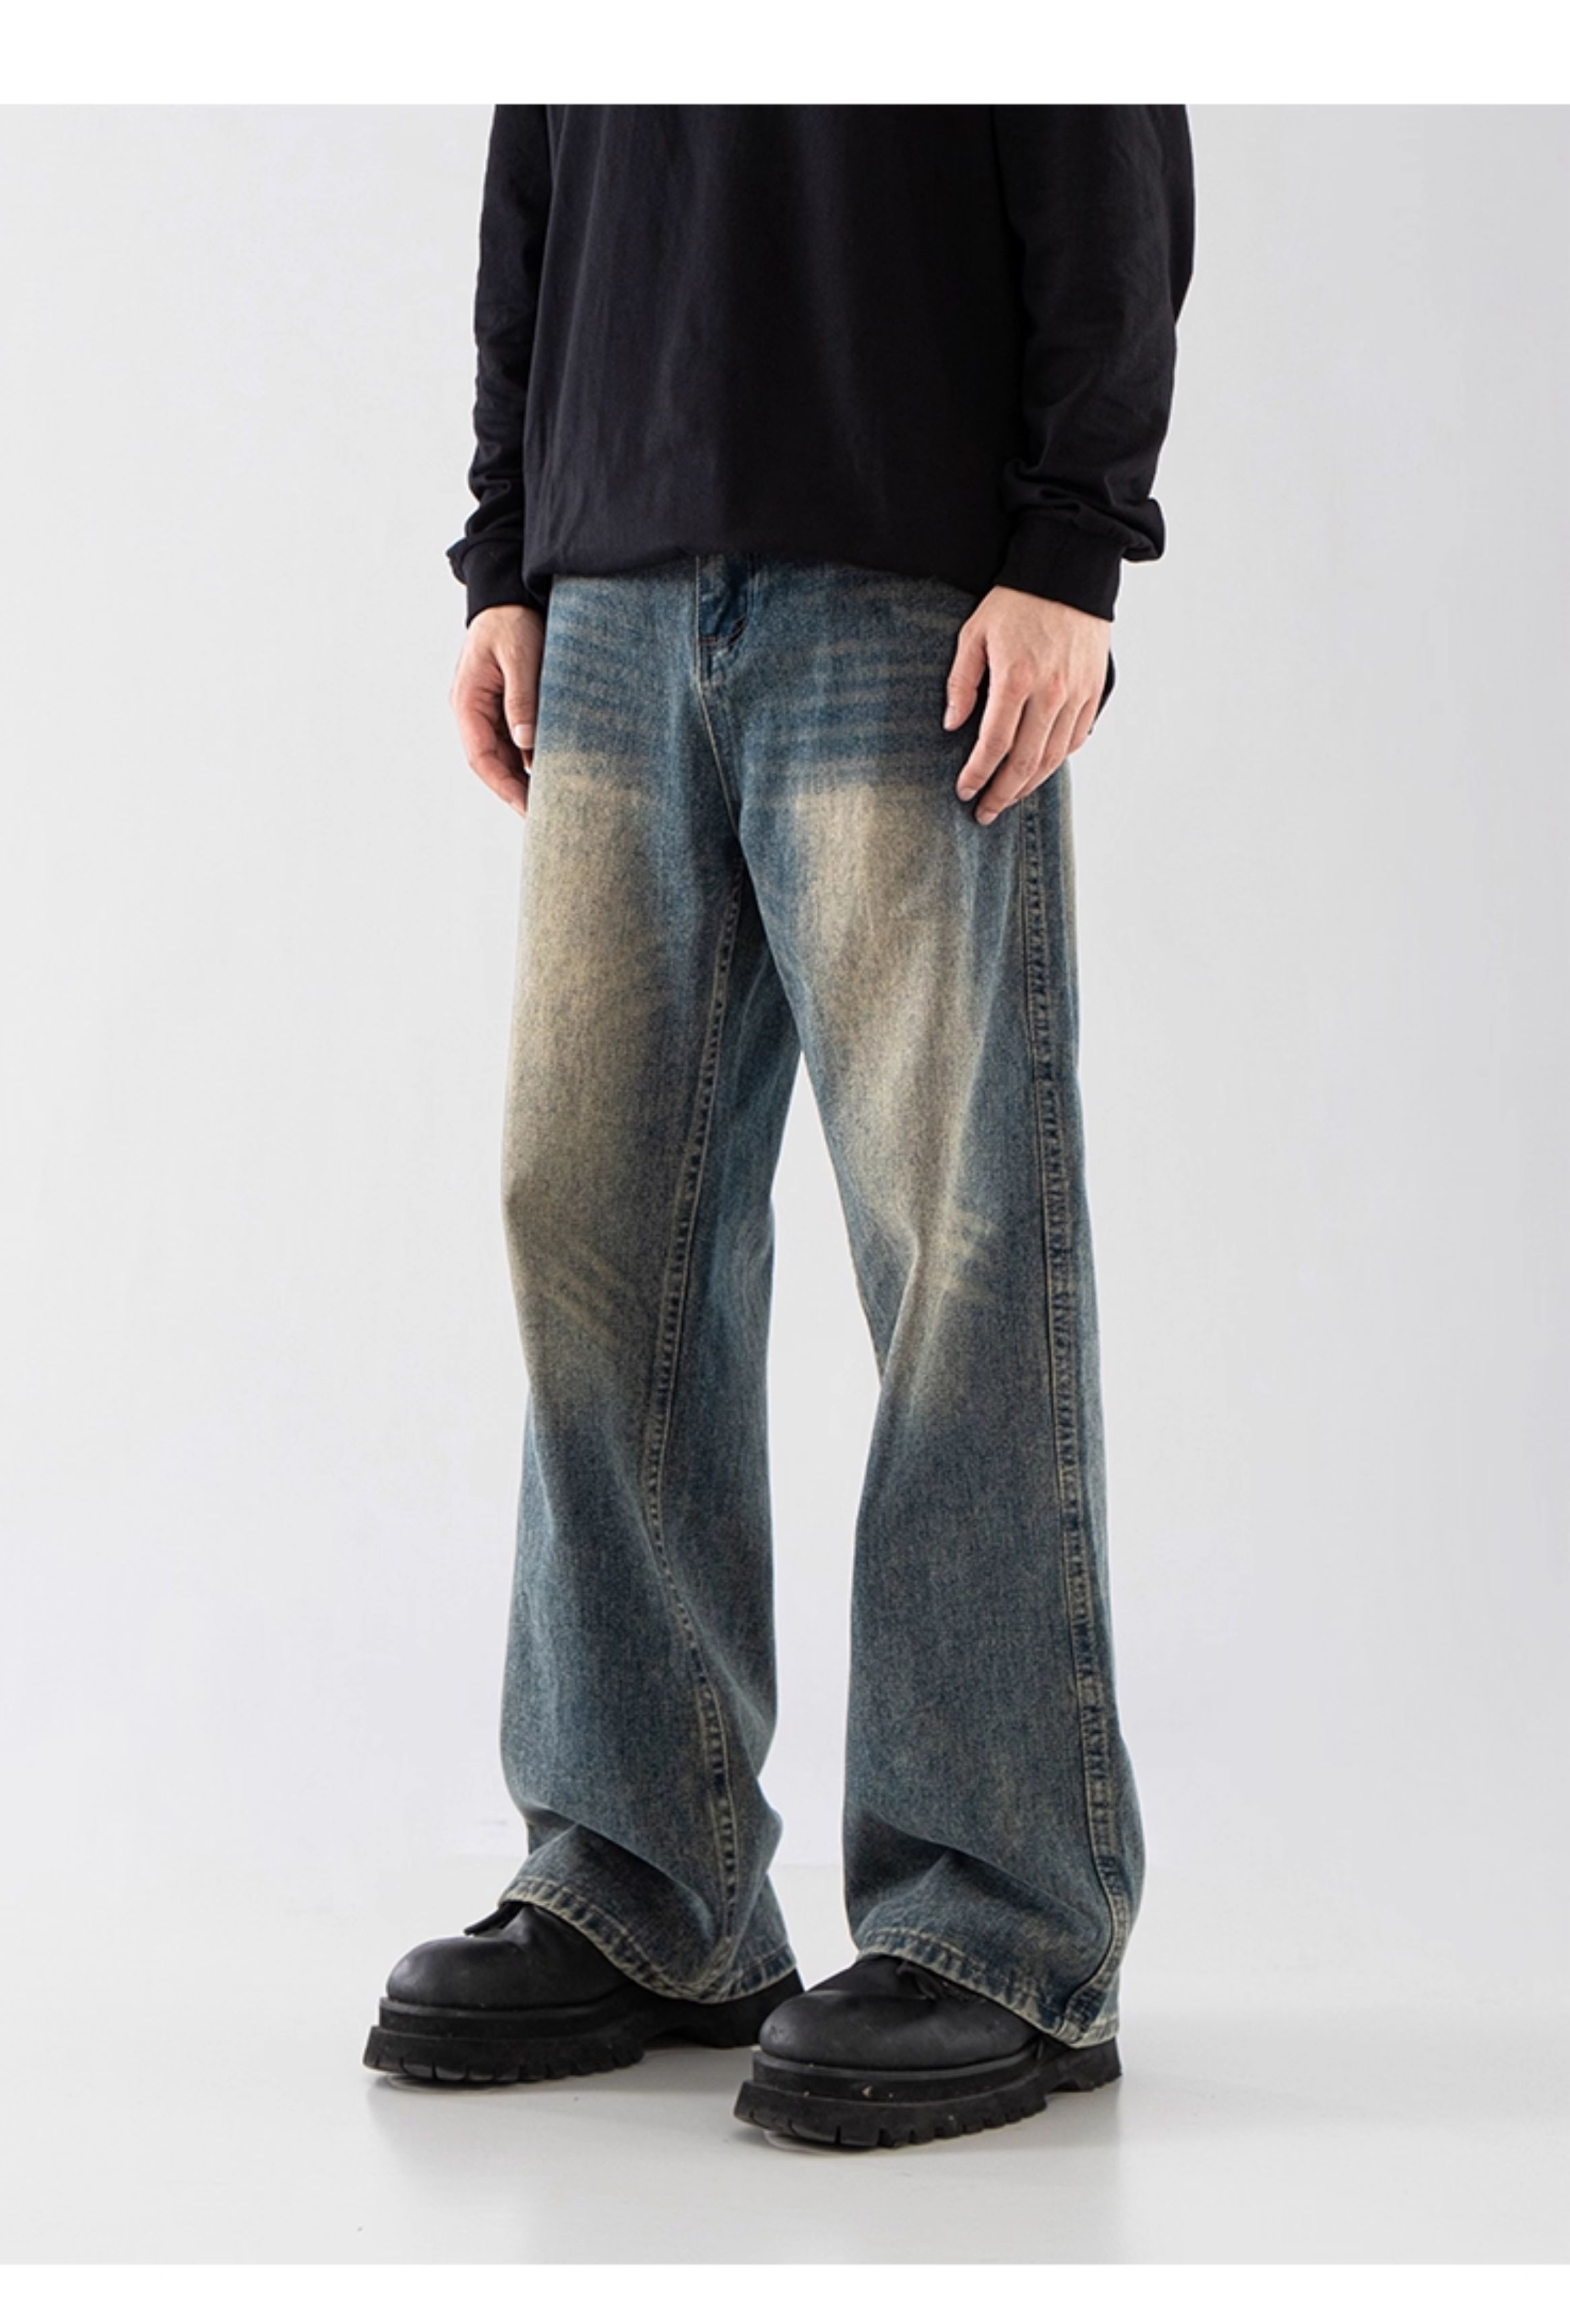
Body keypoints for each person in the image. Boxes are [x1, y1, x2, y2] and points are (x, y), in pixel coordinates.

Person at [363, 102, 1195, 2151]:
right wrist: (507, 550)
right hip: (613, 583)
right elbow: (540, 161)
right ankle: (643, 1884)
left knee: (957, 1240)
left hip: (910, 576)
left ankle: (1003, 1920)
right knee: (588, 1226)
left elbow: (1104, 125)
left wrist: (1072, 538)